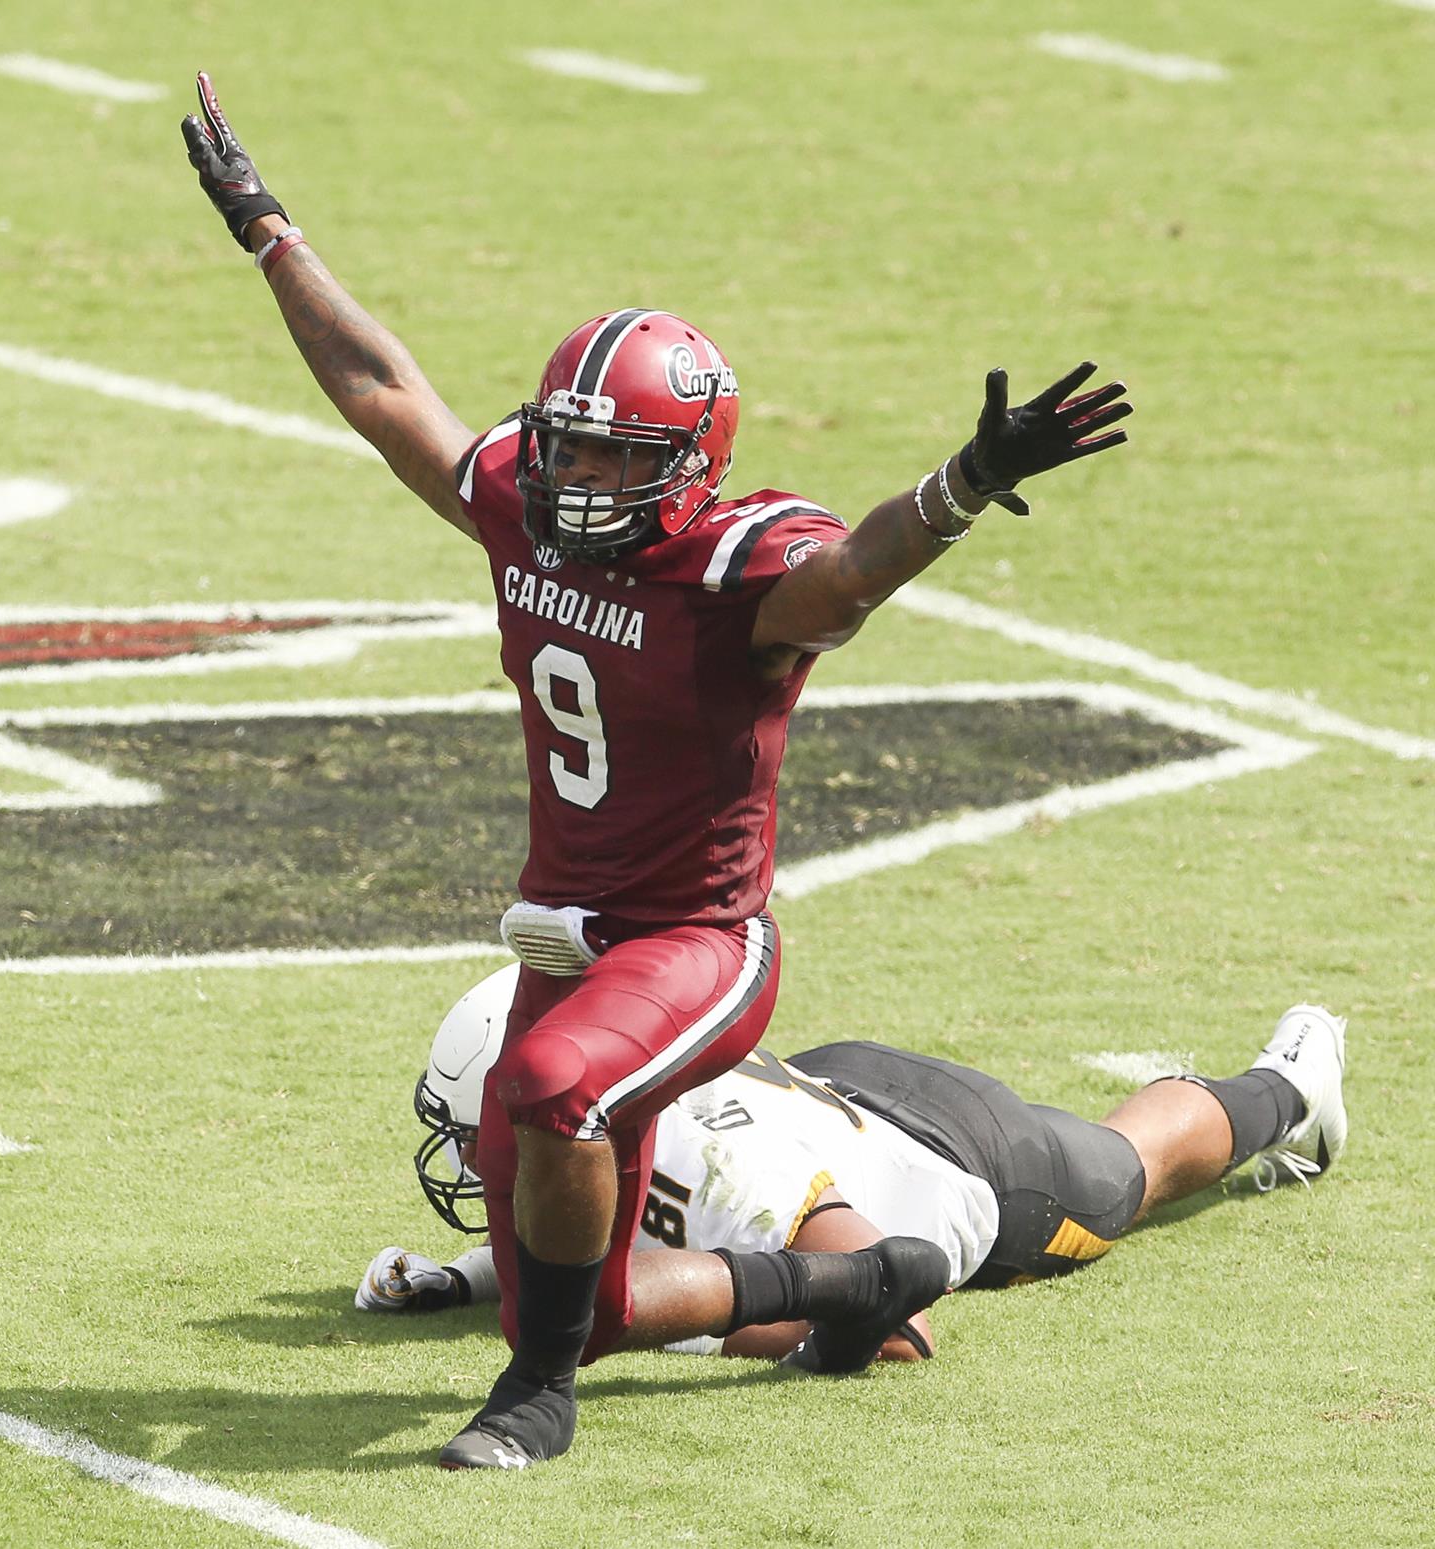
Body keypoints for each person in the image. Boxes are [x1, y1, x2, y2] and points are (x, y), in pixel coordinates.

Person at [182, 74, 1136, 1469]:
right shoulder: (528, 511)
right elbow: (385, 388)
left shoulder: (732, 568)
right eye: (565, 442)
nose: (572, 478)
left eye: (615, 455)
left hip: (696, 939)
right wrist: (272, 233)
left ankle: (533, 1407)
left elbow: (851, 580)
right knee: (581, 1284)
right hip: (559, 932)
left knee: (558, 1093)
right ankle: (855, 1283)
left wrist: (966, 481)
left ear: (691, 466)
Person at [360, 967, 1350, 1364]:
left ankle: (1289, 1091)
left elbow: (893, 1313)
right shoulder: (627, 1123)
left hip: (972, 1165)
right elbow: (586, 1229)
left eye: (483, 1137)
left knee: (1128, 1164)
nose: (470, 1163)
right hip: (834, 1083)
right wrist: (462, 1278)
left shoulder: (723, 1169)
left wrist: (693, 1328)